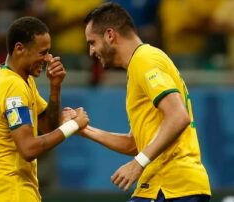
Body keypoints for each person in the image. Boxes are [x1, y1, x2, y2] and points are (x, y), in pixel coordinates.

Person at [81, 2, 211, 201]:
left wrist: (138, 163)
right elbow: (134, 144)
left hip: (172, 185)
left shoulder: (145, 59)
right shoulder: (138, 66)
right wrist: (84, 130)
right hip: (160, 185)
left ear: (110, 35)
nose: (91, 52)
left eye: (92, 42)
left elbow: (178, 116)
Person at [0, 16, 89, 202]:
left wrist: (55, 88)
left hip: (12, 189)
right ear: (19, 49)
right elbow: (28, 148)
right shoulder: (12, 86)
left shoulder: (22, 80)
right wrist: (73, 126)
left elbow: (47, 126)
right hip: (10, 191)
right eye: (43, 53)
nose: (48, 59)